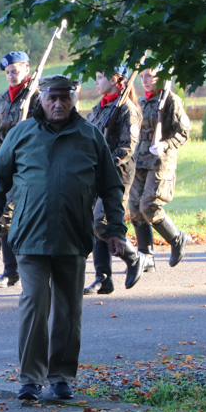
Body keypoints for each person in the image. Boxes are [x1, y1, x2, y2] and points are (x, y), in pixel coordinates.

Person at [0, 75, 127, 402]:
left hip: (73, 236)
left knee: (67, 311)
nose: (58, 104)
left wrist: (116, 230)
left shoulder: (89, 136)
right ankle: (30, 380)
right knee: (34, 304)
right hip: (30, 236)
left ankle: (61, 377)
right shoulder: (21, 134)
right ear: (42, 98)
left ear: (73, 98)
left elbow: (111, 187)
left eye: (64, 98)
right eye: (52, 98)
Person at [0, 51, 40, 289]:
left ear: (26, 70)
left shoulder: (36, 97)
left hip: (30, 164)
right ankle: (11, 271)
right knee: (4, 214)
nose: (12, 76)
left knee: (13, 215)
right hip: (6, 164)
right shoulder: (2, 100)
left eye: (16, 71)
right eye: (8, 72)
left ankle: (18, 270)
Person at [84, 67, 144, 295]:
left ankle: (133, 256)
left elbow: (128, 146)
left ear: (115, 80)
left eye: (99, 77)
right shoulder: (99, 109)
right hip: (94, 173)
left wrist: (106, 164)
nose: (96, 82)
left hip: (117, 174)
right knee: (93, 222)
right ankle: (103, 278)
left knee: (102, 222)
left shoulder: (127, 109)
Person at [130, 67, 193, 270]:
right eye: (142, 76)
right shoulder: (142, 102)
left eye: (149, 75)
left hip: (161, 160)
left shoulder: (171, 101)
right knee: (134, 207)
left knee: (149, 205)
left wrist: (165, 144)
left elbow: (183, 132)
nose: (145, 80)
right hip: (140, 159)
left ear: (160, 77)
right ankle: (145, 256)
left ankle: (176, 239)